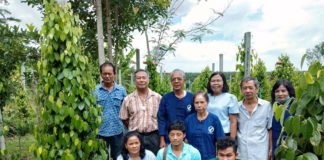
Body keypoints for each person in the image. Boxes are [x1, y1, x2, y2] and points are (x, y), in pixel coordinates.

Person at [119, 69, 162, 154]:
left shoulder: (157, 98)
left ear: (148, 79)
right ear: (135, 80)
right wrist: (133, 129)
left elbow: (162, 118)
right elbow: (124, 118)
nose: (141, 80)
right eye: (138, 78)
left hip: (153, 137)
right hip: (135, 137)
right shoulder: (128, 99)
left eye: (144, 78)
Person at [95, 62, 127, 160]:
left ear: (114, 74)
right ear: (101, 74)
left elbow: (126, 111)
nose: (107, 76)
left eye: (110, 74)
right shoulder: (95, 90)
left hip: (117, 132)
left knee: (118, 157)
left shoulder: (121, 90)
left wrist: (126, 130)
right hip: (100, 132)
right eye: (105, 74)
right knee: (102, 158)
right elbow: (91, 113)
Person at [237, 77, 273, 160]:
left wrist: (271, 149)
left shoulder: (267, 106)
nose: (247, 91)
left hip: (261, 153)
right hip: (242, 154)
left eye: (250, 88)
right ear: (241, 90)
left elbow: (270, 129)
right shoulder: (236, 107)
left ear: (257, 89)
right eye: (244, 88)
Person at [158, 69, 195, 148]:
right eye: (173, 79)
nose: (176, 81)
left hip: (187, 138)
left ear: (184, 80)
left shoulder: (192, 97)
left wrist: (188, 136)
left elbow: (194, 119)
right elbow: (161, 118)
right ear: (171, 82)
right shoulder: (166, 98)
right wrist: (162, 139)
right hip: (170, 138)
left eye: (179, 79)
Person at [185, 91, 225, 160]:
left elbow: (219, 141)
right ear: (193, 104)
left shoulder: (214, 119)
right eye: (196, 103)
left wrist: (218, 156)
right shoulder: (189, 120)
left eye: (202, 102)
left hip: (209, 157)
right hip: (192, 157)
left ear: (207, 102)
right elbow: (185, 140)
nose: (199, 105)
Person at [206, 72, 239, 138]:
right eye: (213, 81)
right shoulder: (205, 97)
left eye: (218, 80)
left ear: (223, 82)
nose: (215, 83)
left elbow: (233, 122)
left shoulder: (230, 98)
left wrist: (231, 141)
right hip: (206, 133)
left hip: (223, 134)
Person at [271, 80, 295, 159]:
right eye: (277, 91)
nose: (280, 94)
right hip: (275, 146)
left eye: (283, 91)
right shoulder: (271, 108)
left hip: (291, 147)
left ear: (289, 92)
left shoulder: (295, 108)